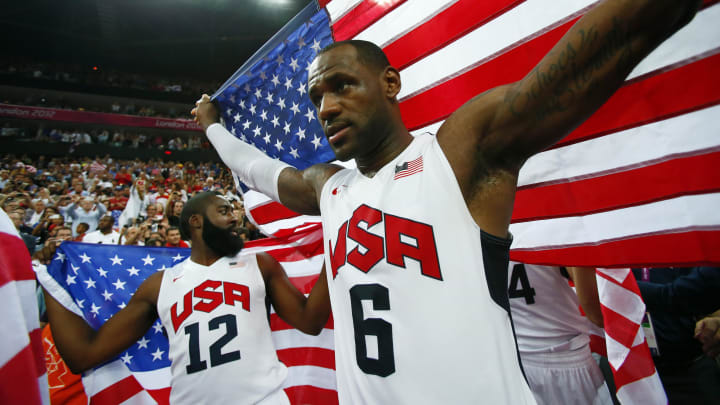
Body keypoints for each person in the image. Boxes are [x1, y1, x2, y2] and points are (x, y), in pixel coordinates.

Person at [193, 2, 700, 402]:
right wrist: (211, 124)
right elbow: (255, 170)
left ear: (390, 83)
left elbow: (592, 58)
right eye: (316, 98)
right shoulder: (331, 189)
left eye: (342, 86)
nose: (326, 107)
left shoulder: (458, 153)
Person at [43, 192, 330, 404]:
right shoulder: (159, 285)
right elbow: (84, 355)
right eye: (223, 211)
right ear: (196, 221)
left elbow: (310, 321)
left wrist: (334, 245)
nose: (235, 217)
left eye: (233, 211)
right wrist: (49, 279)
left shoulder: (260, 264)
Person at [508, 262, 612, 405]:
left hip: (513, 363)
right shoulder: (562, 239)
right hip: (566, 363)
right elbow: (597, 314)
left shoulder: (472, 242)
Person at [632, 266, 720, 403]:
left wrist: (627, 288)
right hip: (634, 373)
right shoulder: (610, 250)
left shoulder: (687, 248)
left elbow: (694, 292)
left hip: (689, 368)